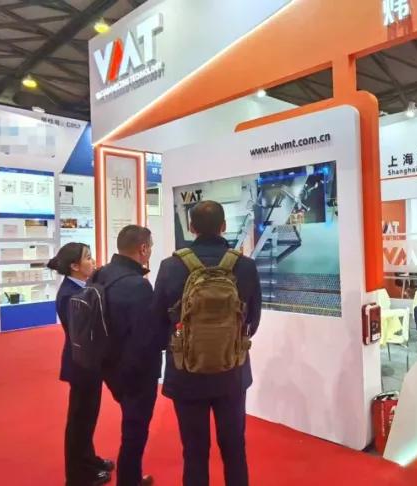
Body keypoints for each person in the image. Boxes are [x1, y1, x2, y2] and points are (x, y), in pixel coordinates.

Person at [152, 201, 262, 486]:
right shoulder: (245, 266)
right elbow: (253, 322)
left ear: (191, 228)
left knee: (194, 451)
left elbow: (157, 321)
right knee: (234, 448)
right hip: (232, 372)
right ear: (224, 226)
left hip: (186, 373)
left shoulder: (170, 266)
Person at [94, 226, 160, 486]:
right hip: (135, 373)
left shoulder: (100, 274)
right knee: (134, 434)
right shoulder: (138, 286)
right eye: (150, 247)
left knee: (132, 429)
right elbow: (146, 338)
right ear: (143, 249)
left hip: (107, 366)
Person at [50, 243, 113, 486]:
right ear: (75, 266)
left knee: (87, 417)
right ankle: (78, 475)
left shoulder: (81, 287)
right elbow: (83, 332)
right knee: (80, 420)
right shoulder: (70, 294)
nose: (93, 261)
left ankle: (88, 460)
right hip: (81, 363)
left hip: (88, 362)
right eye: (88, 258)